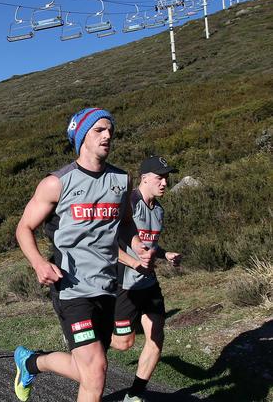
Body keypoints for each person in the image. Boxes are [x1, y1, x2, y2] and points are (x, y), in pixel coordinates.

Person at [13, 107, 155, 402]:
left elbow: (126, 223)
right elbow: (24, 227)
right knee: (95, 371)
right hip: (71, 286)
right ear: (81, 136)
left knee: (89, 370)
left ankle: (30, 362)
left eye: (110, 131)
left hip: (106, 285)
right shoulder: (57, 182)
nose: (107, 135)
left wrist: (138, 245)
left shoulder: (120, 179)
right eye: (99, 130)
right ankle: (31, 363)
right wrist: (39, 263)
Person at [112, 155, 182, 402]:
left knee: (156, 336)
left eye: (167, 178)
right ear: (144, 178)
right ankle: (92, 339)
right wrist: (133, 263)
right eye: (159, 177)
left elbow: (150, 245)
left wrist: (165, 254)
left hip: (149, 283)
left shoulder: (159, 210)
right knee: (123, 344)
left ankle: (135, 395)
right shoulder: (129, 204)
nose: (164, 183)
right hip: (125, 284)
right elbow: (109, 243)